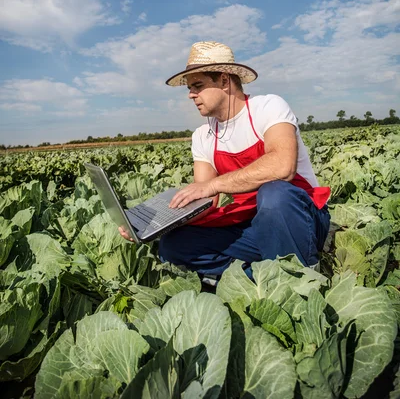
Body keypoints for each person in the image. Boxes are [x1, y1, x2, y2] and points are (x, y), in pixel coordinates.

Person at [120, 41, 331, 278]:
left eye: (198, 85)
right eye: (189, 88)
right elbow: (205, 201)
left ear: (224, 80)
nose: (191, 95)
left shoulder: (268, 107)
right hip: (253, 224)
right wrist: (155, 225)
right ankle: (264, 277)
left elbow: (283, 166)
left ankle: (305, 275)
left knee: (274, 194)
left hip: (300, 219)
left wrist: (212, 184)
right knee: (173, 246)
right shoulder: (203, 136)